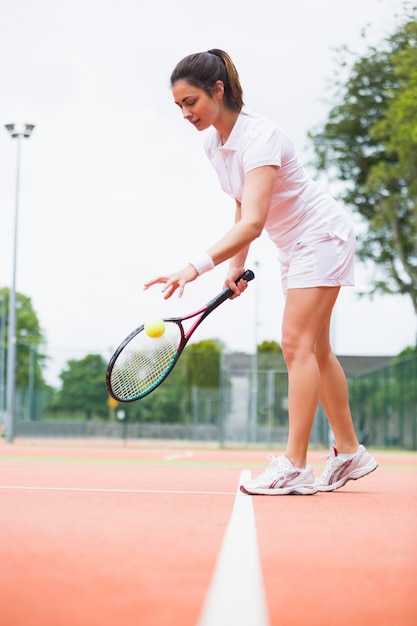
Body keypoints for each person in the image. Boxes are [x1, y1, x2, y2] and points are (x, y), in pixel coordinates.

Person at [144, 49, 378, 495]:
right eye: (178, 105)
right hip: (294, 244)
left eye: (190, 101)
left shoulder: (261, 136)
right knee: (317, 350)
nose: (184, 113)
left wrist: (194, 268)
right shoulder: (215, 143)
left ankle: (295, 464)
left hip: (320, 235)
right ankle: (349, 452)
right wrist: (235, 266)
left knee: (295, 345)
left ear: (218, 90)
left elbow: (254, 221)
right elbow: (241, 201)